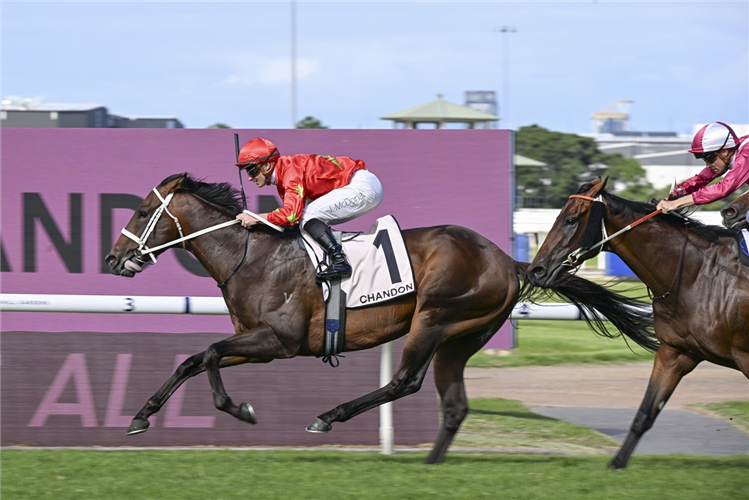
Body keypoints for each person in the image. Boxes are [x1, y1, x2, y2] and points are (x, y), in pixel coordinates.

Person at [234, 137, 383, 280]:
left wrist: (256, 218)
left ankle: (339, 260)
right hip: (362, 186)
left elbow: (291, 215)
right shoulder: (282, 178)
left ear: (267, 166)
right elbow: (291, 221)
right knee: (305, 219)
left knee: (307, 215)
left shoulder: (290, 172)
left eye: (252, 171)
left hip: (364, 187)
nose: (249, 178)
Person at [657, 122, 749, 214]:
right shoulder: (729, 153)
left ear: (724, 151)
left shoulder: (746, 154)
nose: (708, 165)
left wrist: (676, 203)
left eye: (709, 159)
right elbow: (701, 179)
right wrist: (675, 194)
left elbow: (724, 188)